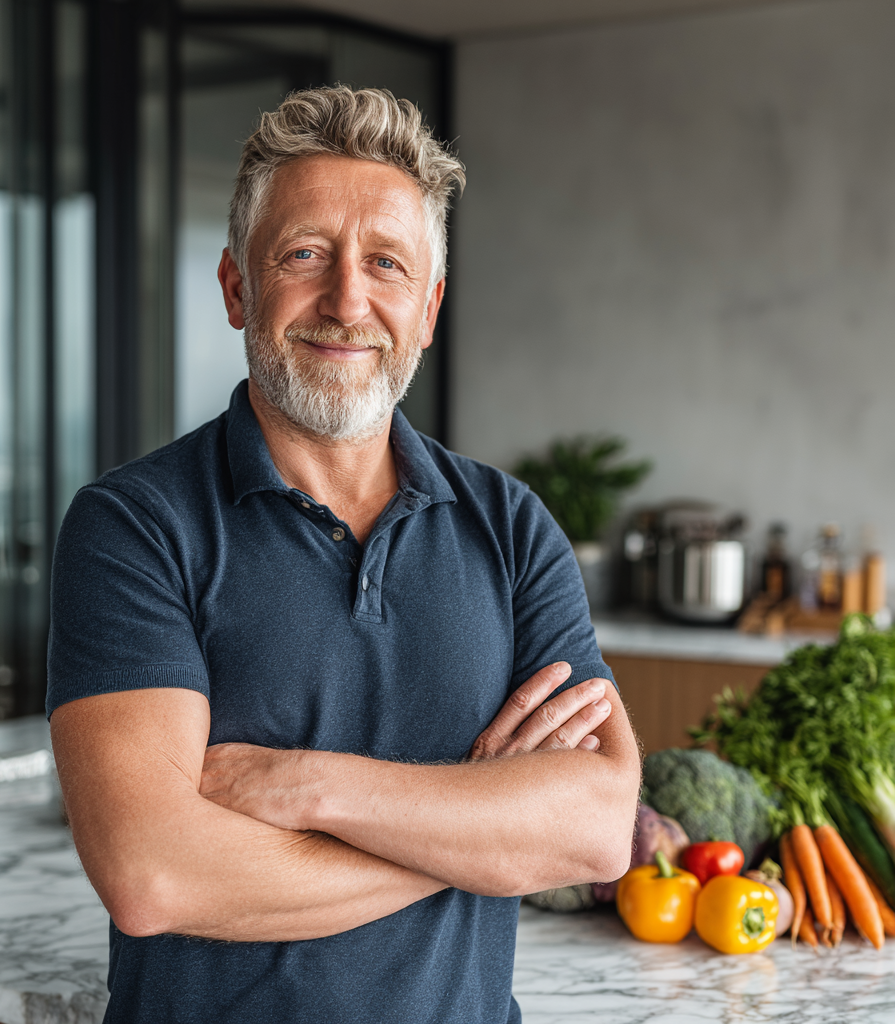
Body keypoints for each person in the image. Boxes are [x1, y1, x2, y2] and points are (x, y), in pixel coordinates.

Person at [47, 85, 640, 1024]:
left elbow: (600, 829)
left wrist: (299, 785)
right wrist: (475, 832)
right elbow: (151, 872)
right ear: (239, 285)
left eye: (387, 263)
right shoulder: (133, 527)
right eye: (305, 254)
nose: (347, 300)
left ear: (431, 306)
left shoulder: (512, 525)